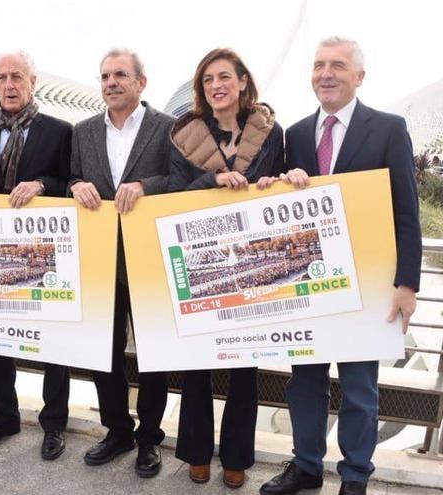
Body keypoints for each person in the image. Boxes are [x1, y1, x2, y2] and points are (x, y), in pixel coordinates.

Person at [259, 37, 421, 495]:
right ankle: (306, 466)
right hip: (309, 282)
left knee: (360, 391)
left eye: (337, 66)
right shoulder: (294, 133)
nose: (325, 74)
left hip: (367, 285)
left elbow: (407, 211)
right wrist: (277, 184)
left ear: (359, 76)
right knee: (304, 384)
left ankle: (354, 476)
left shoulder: (389, 128)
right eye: (318, 66)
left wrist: (407, 283)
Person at [167, 47, 285, 490]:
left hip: (253, 263)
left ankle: (236, 457)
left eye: (223, 77)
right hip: (202, 262)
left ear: (241, 82)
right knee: (197, 363)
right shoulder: (185, 133)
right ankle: (196, 452)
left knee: (245, 367)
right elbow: (175, 192)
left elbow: (282, 184)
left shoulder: (272, 132)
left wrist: (276, 182)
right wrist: (211, 180)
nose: (216, 85)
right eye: (208, 80)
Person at [0, 51, 72, 461]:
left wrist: (41, 184)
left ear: (33, 82)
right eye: (2, 78)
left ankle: (53, 424)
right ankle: (3, 416)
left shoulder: (60, 131)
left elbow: (69, 180)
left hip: (42, 257)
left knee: (53, 344)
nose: (9, 85)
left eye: (17, 77)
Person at [69, 48, 173, 478]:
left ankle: (149, 438)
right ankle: (117, 431)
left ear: (141, 83)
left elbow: (181, 182)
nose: (111, 82)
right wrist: (76, 186)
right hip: (100, 259)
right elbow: (73, 175)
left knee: (153, 355)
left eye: (120, 75)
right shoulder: (83, 131)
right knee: (102, 352)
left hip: (148, 259)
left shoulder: (167, 128)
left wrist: (145, 185)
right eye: (105, 75)